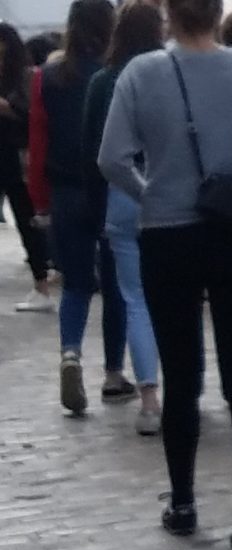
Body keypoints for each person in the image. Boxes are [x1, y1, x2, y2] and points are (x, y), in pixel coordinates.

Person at [99, 0, 232, 548]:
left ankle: (183, 502)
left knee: (182, 375)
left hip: (170, 236)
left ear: (170, 16)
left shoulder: (143, 72)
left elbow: (112, 158)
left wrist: (153, 194)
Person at [30, 0, 127, 415]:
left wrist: (40, 198)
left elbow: (39, 144)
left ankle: (70, 352)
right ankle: (114, 374)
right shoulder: (117, 76)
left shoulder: (49, 77)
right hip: (110, 189)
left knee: (75, 284)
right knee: (116, 284)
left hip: (67, 191)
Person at [82, 0, 165, 436]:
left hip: (122, 198)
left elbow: (93, 152)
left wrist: (98, 210)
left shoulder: (104, 80)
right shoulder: (169, 75)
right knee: (176, 297)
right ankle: (184, 386)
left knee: (135, 299)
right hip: (169, 196)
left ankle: (149, 398)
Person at [0, 22, 53, 314]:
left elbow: (32, 116)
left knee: (27, 221)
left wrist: (7, 108)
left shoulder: (25, 76)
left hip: (18, 157)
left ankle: (41, 285)